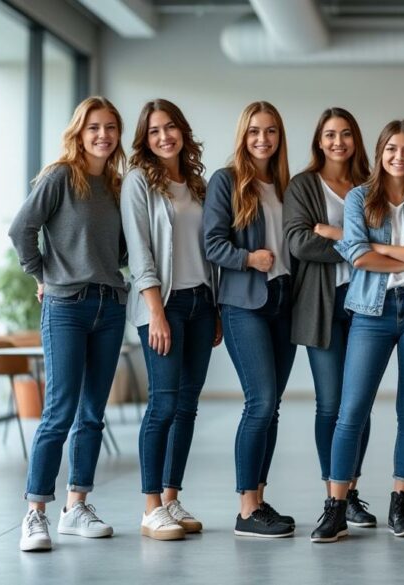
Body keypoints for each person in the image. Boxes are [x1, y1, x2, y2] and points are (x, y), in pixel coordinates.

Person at [310, 120, 404, 542]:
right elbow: (356, 256)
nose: (399, 157)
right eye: (392, 149)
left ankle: (399, 504)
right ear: (380, 152)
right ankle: (336, 506)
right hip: (371, 312)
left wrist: (386, 250)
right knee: (351, 411)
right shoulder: (360, 198)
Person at [10, 96, 128, 552]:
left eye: (111, 127)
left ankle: (76, 505)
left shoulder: (117, 185)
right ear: (79, 133)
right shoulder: (61, 177)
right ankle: (35, 513)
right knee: (59, 411)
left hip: (109, 304)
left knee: (93, 413)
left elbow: (116, 250)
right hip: (66, 306)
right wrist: (43, 275)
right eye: (94, 127)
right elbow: (21, 228)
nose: (103, 135)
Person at [121, 99, 221, 541]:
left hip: (201, 302)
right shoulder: (138, 182)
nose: (165, 137)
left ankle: (171, 496)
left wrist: (214, 306)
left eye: (171, 128)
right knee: (163, 403)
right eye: (155, 130)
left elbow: (208, 250)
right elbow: (140, 252)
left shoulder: (196, 184)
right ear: (145, 139)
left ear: (183, 131)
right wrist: (156, 312)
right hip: (162, 305)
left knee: (187, 405)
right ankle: (149, 508)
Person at [203, 101, 297, 538]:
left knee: (272, 406)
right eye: (255, 131)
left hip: (283, 301)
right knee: (259, 402)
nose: (263, 139)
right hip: (244, 303)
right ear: (244, 135)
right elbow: (212, 244)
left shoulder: (285, 185)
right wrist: (248, 258)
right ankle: (245, 509)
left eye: (271, 131)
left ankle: (259, 499)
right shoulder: (227, 182)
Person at [284, 107, 376, 528]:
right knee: (330, 403)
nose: (337, 142)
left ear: (355, 140)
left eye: (345, 135)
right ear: (319, 141)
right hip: (320, 304)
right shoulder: (303, 184)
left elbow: (388, 238)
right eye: (330, 135)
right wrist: (359, 246)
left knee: (358, 404)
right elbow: (299, 242)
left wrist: (336, 233)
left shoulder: (370, 185)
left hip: (366, 304)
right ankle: (332, 496)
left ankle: (350, 491)